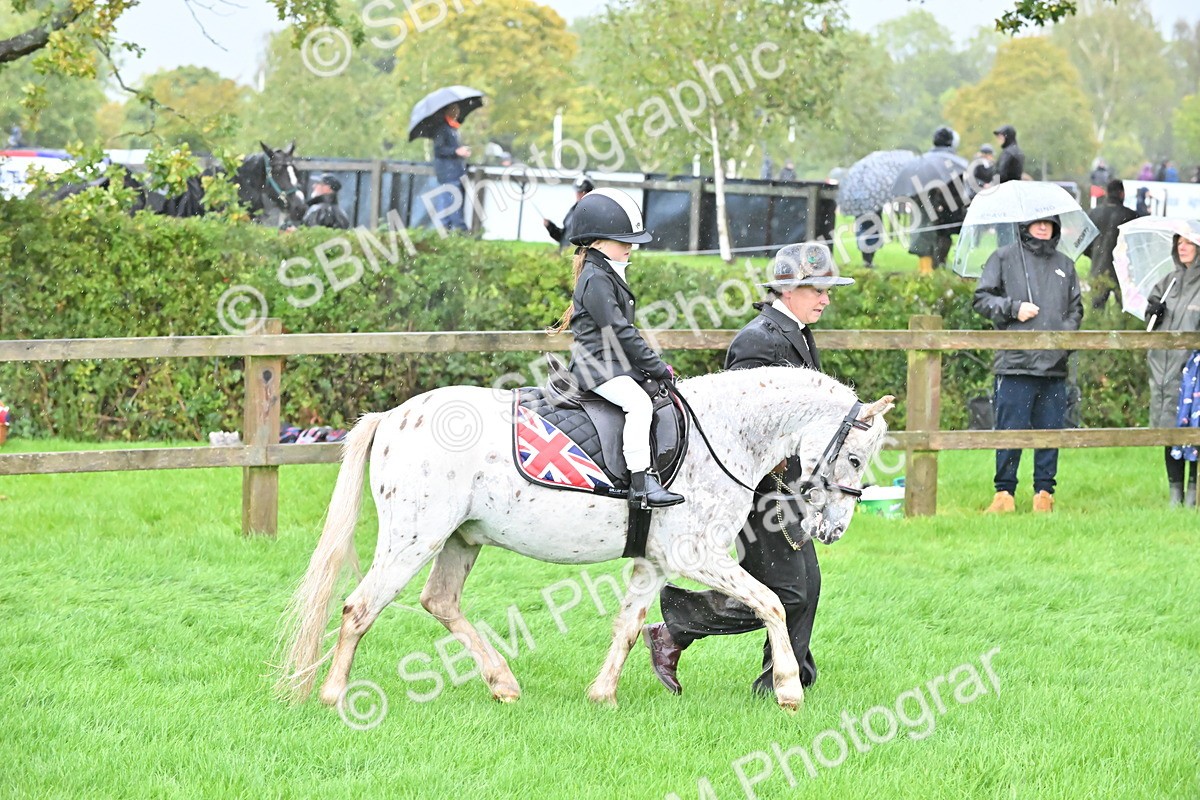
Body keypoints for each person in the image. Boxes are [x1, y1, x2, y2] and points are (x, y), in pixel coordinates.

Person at [641, 242, 854, 698]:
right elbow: (743, 427)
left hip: (789, 483)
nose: (826, 298)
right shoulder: (758, 341)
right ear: (787, 288)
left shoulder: (794, 331)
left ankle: (692, 635)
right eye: (817, 289)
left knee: (801, 585)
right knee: (793, 590)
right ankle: (683, 628)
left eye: (827, 289)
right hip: (760, 489)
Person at [556, 188, 681, 508]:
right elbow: (621, 331)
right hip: (595, 367)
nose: (630, 247)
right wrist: (655, 366)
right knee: (638, 403)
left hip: (609, 362)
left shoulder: (603, 272)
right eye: (623, 241)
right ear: (598, 241)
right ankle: (641, 483)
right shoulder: (596, 278)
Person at [973, 214, 1083, 514]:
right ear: (1025, 225)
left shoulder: (1066, 265)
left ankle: (1044, 493)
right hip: (1014, 363)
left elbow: (1076, 311)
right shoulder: (1003, 258)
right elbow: (982, 299)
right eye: (1038, 221)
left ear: (1056, 226)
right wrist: (1013, 308)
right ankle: (1004, 493)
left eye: (1049, 222)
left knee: (1050, 432)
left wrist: (1063, 339)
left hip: (1054, 366)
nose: (1043, 226)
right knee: (1010, 430)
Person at [1145, 234, 1200, 505]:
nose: (1183, 247)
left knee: (1194, 427)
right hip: (1164, 369)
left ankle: (1193, 490)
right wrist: (1155, 312)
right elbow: (1150, 324)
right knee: (1170, 428)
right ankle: (1174, 492)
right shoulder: (1168, 282)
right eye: (1180, 242)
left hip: (1193, 373)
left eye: (1189, 242)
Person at [908, 126, 967, 271]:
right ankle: (934, 268)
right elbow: (958, 191)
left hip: (936, 209)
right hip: (944, 209)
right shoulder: (953, 163)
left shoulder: (924, 162)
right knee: (940, 237)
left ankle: (933, 268)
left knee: (933, 238)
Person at [1084, 179, 1142, 310]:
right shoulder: (1131, 216)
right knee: (1126, 314)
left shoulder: (1093, 213)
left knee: (1096, 315)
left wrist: (1095, 255)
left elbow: (1085, 244)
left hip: (1098, 269)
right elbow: (1137, 248)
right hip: (1123, 273)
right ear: (1122, 194)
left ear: (1106, 193)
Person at [431, 102, 471, 232]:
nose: (457, 112)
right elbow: (439, 150)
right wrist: (456, 151)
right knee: (450, 203)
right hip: (448, 173)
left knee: (449, 203)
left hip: (454, 172)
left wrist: (460, 151)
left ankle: (448, 231)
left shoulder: (451, 129)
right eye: (455, 109)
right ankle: (460, 231)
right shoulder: (442, 129)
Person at [544, 174, 594, 249]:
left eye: (583, 192)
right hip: (565, 255)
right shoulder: (573, 210)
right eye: (578, 192)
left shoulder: (593, 213)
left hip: (579, 257)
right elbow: (563, 238)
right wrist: (551, 227)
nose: (579, 194)